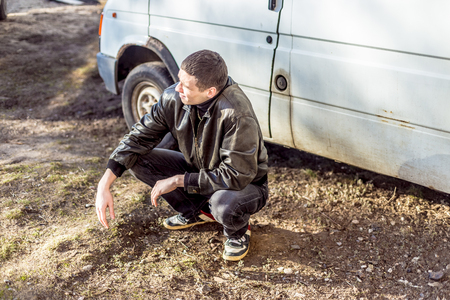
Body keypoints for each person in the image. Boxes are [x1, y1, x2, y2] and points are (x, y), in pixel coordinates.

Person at [95, 49, 268, 261]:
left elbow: (236, 174)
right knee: (138, 159)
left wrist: (179, 180)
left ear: (210, 92)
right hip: (200, 170)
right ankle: (197, 212)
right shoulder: (173, 97)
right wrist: (104, 184)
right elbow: (138, 138)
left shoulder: (236, 114)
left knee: (224, 204)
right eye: (179, 80)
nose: (177, 88)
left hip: (244, 184)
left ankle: (238, 232)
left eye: (185, 86)